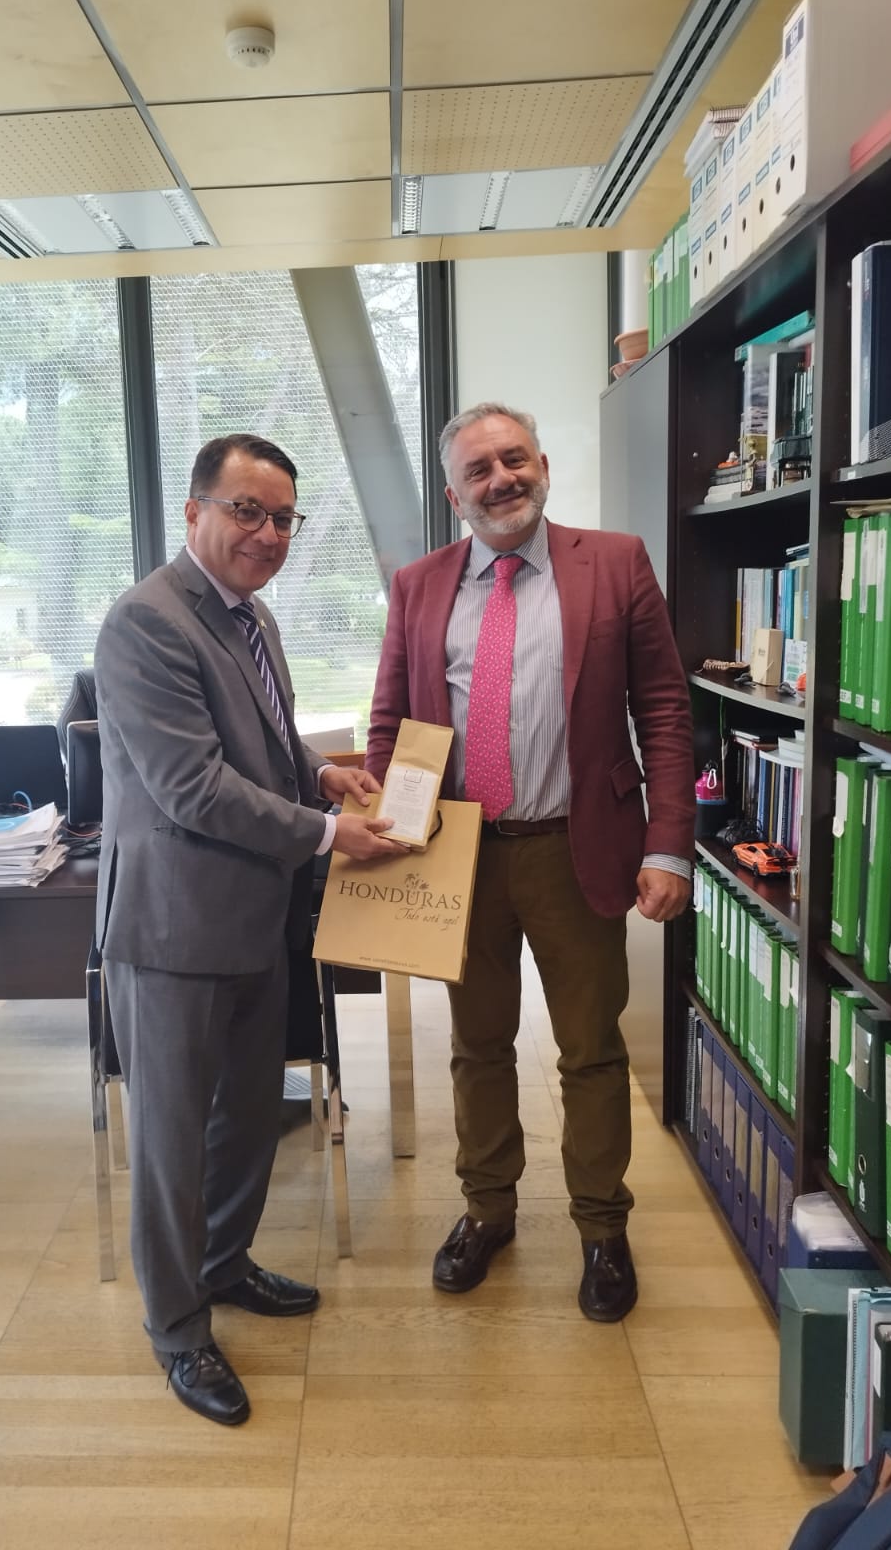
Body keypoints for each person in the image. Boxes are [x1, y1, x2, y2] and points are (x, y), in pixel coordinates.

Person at [94, 433, 400, 1426]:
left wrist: (319, 773)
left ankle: (223, 1264)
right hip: (173, 927)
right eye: (246, 510)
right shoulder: (145, 622)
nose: (267, 533)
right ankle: (178, 1329)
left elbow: (258, 743)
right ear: (194, 512)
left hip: (255, 915)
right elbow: (192, 785)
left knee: (248, 1118)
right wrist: (328, 832)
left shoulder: (252, 615)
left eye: (282, 518)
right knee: (173, 1141)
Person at [366, 401, 694, 1323]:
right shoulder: (418, 586)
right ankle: (487, 1210)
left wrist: (669, 844)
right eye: (479, 469)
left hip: (574, 847)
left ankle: (602, 1227)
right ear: (454, 496)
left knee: (591, 1050)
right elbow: (392, 723)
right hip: (460, 854)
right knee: (477, 1046)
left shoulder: (615, 563)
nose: (501, 478)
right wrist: (393, 837)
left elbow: (664, 709)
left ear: (542, 465)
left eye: (515, 459)